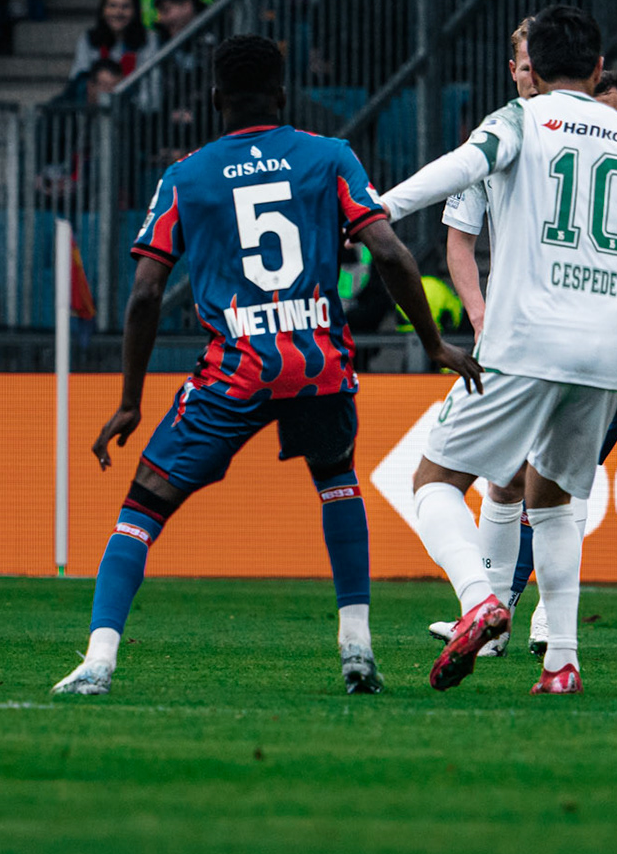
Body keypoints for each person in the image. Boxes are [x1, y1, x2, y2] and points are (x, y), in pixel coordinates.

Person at [51, 35, 482, 697]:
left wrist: (131, 400)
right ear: (282, 96)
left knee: (144, 504)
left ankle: (100, 660)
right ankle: (357, 649)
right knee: (336, 480)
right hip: (317, 361)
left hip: (236, 368)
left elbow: (143, 296)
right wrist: (432, 345)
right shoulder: (328, 156)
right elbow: (392, 254)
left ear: (216, 99)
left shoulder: (186, 175)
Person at [374, 5, 617, 695]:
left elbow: (455, 171)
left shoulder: (519, 119)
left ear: (531, 59)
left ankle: (481, 600)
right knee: (556, 502)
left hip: (525, 341)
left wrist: (376, 209)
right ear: (598, 70)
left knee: (433, 481)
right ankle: (562, 662)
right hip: (606, 355)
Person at [70, 0, 157, 83]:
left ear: (135, 11)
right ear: (103, 10)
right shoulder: (89, 38)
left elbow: (151, 82)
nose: (118, 12)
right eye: (112, 6)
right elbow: (79, 76)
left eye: (125, 7)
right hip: (98, 96)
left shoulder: (149, 39)